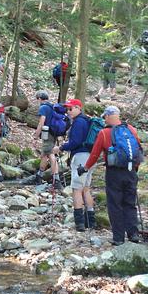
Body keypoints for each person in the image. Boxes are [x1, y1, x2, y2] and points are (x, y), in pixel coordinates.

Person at [79, 105, 142, 245]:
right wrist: (135, 168)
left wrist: (85, 168)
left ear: (107, 116)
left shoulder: (104, 133)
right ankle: (133, 234)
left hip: (114, 172)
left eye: (105, 117)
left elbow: (95, 154)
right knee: (130, 203)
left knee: (115, 204)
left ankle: (118, 238)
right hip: (131, 171)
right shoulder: (131, 129)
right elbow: (138, 149)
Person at [52, 99, 96, 232]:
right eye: (67, 109)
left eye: (71, 109)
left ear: (78, 108)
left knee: (76, 189)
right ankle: (90, 221)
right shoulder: (87, 121)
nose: (68, 111)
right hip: (90, 157)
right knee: (86, 188)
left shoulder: (78, 122)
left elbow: (75, 142)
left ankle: (80, 223)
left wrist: (60, 148)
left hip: (81, 157)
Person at [34, 90, 62, 189]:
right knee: (45, 154)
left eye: (37, 99)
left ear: (39, 99)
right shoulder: (52, 106)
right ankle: (39, 176)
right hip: (53, 134)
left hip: (47, 134)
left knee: (50, 154)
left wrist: (36, 134)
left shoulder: (43, 108)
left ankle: (56, 179)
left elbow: (41, 122)